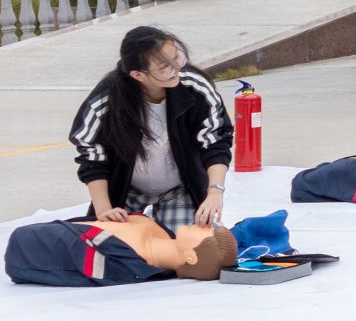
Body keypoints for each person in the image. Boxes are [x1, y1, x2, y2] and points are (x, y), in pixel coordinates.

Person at [67, 26, 233, 230]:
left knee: (190, 243)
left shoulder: (194, 87)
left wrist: (215, 192)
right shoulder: (107, 100)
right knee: (116, 244)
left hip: (180, 188)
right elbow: (92, 156)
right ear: (138, 75)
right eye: (164, 67)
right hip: (125, 190)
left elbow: (215, 140)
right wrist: (104, 211)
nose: (176, 69)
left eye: (177, 58)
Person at [5, 216, 240, 287]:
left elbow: (24, 243)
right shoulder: (160, 231)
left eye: (209, 233)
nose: (205, 225)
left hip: (26, 246)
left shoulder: (124, 262)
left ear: (191, 257)